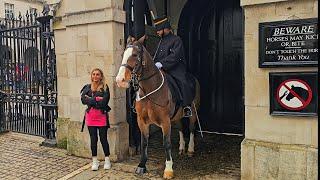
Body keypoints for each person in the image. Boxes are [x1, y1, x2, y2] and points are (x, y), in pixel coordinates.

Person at [153, 16, 194, 117]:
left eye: (158, 30)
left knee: (183, 83)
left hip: (175, 69)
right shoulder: (160, 42)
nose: (157, 32)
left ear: (164, 28)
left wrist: (161, 63)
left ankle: (186, 107)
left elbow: (175, 56)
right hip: (162, 70)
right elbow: (156, 55)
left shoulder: (176, 40)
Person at [80, 68, 112, 171]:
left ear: (101, 76)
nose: (95, 76)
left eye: (97, 74)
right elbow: (83, 100)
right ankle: (95, 160)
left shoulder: (105, 88)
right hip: (90, 117)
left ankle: (107, 159)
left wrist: (90, 100)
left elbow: (104, 103)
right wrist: (96, 99)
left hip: (101, 117)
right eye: (93, 74)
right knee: (93, 139)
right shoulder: (87, 87)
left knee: (103, 139)